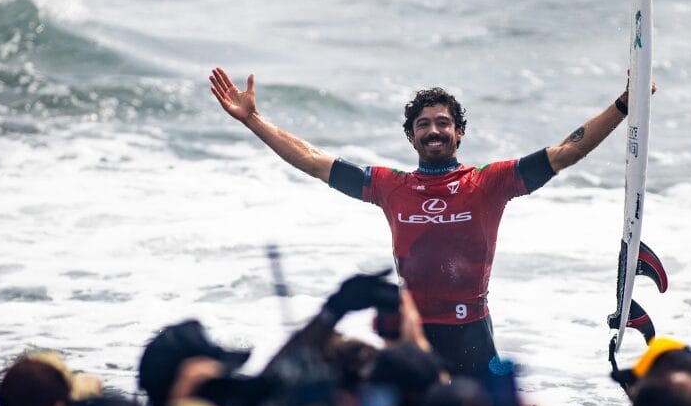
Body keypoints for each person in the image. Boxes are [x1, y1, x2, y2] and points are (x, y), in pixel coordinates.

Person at [209, 68, 634, 376]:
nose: (434, 131)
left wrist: (623, 107)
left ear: (459, 132)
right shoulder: (389, 185)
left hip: (471, 334)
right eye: (423, 125)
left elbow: (565, 152)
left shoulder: (489, 182)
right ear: (411, 137)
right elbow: (314, 162)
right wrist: (253, 120)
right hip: (411, 335)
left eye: (443, 123)